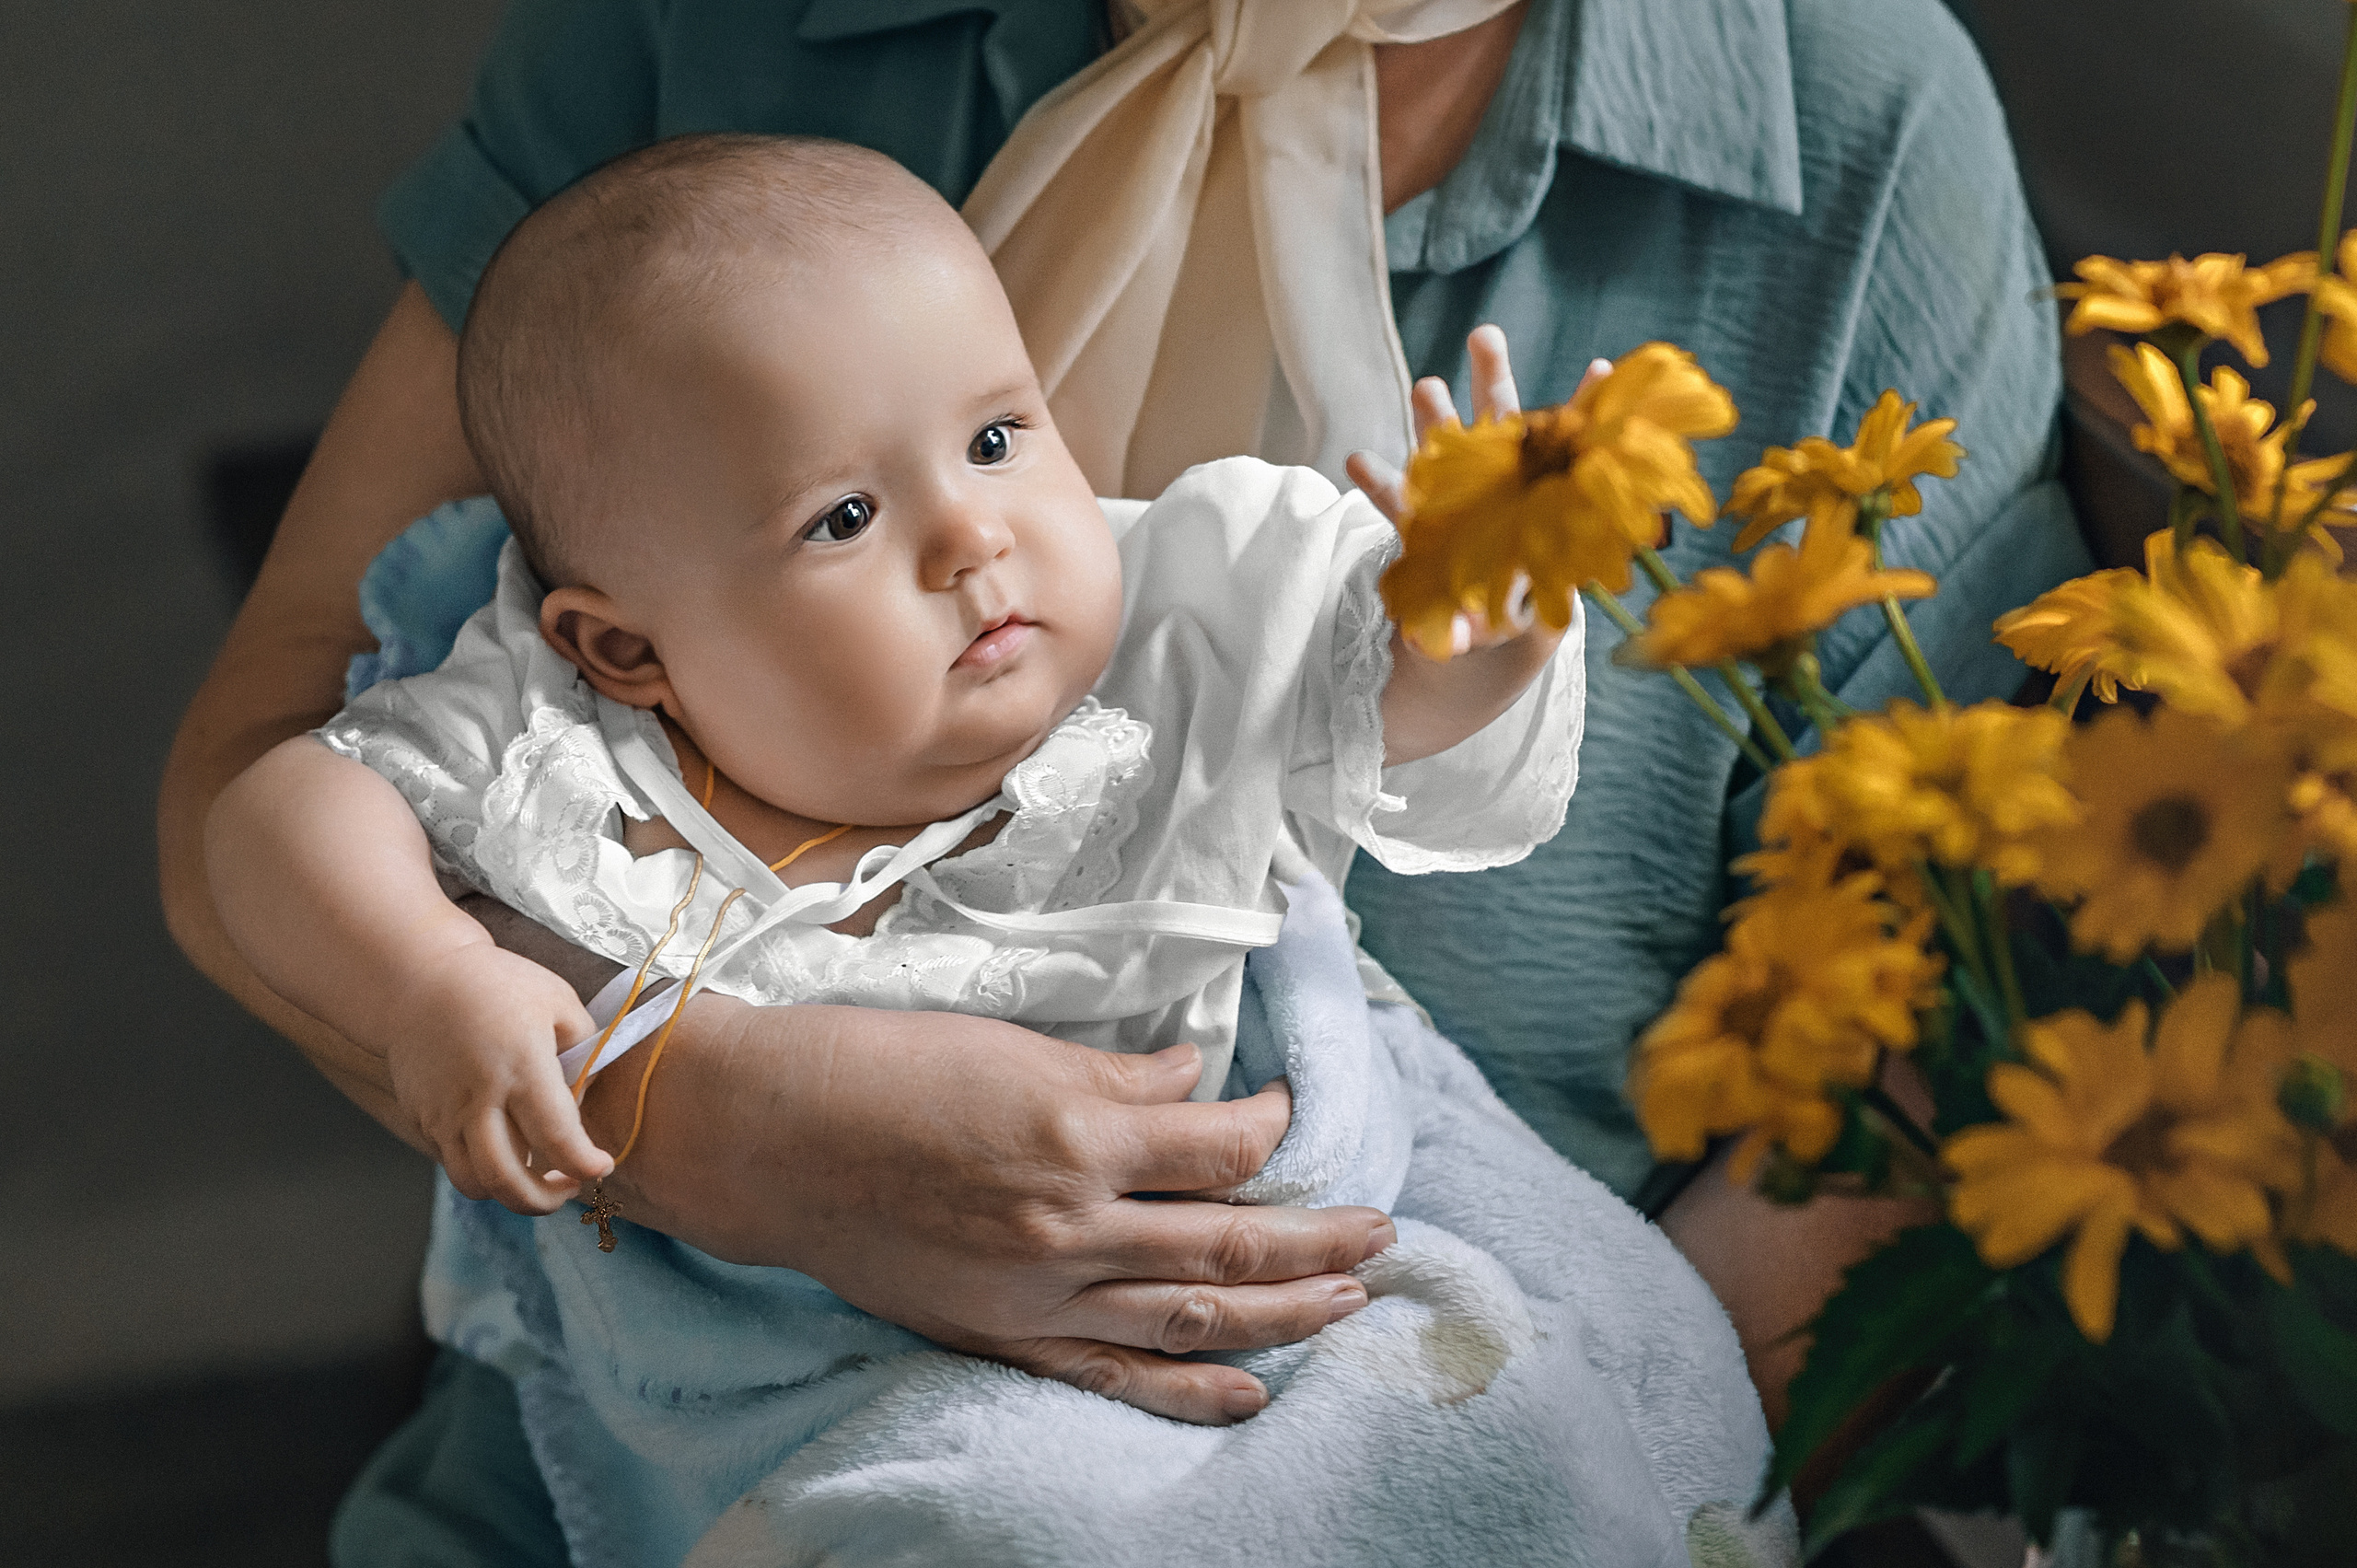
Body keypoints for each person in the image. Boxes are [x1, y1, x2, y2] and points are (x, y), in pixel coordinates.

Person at [158, 0, 2089, 1554]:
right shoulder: (567, 710)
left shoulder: (1168, 596)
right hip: (765, 1418)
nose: (974, 542)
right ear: (621, 645)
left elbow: (1954, 986)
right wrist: (665, 1095)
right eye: (843, 511)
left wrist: (1478, 631)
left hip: (1377, 1373)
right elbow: (283, 783)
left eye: (1008, 438)